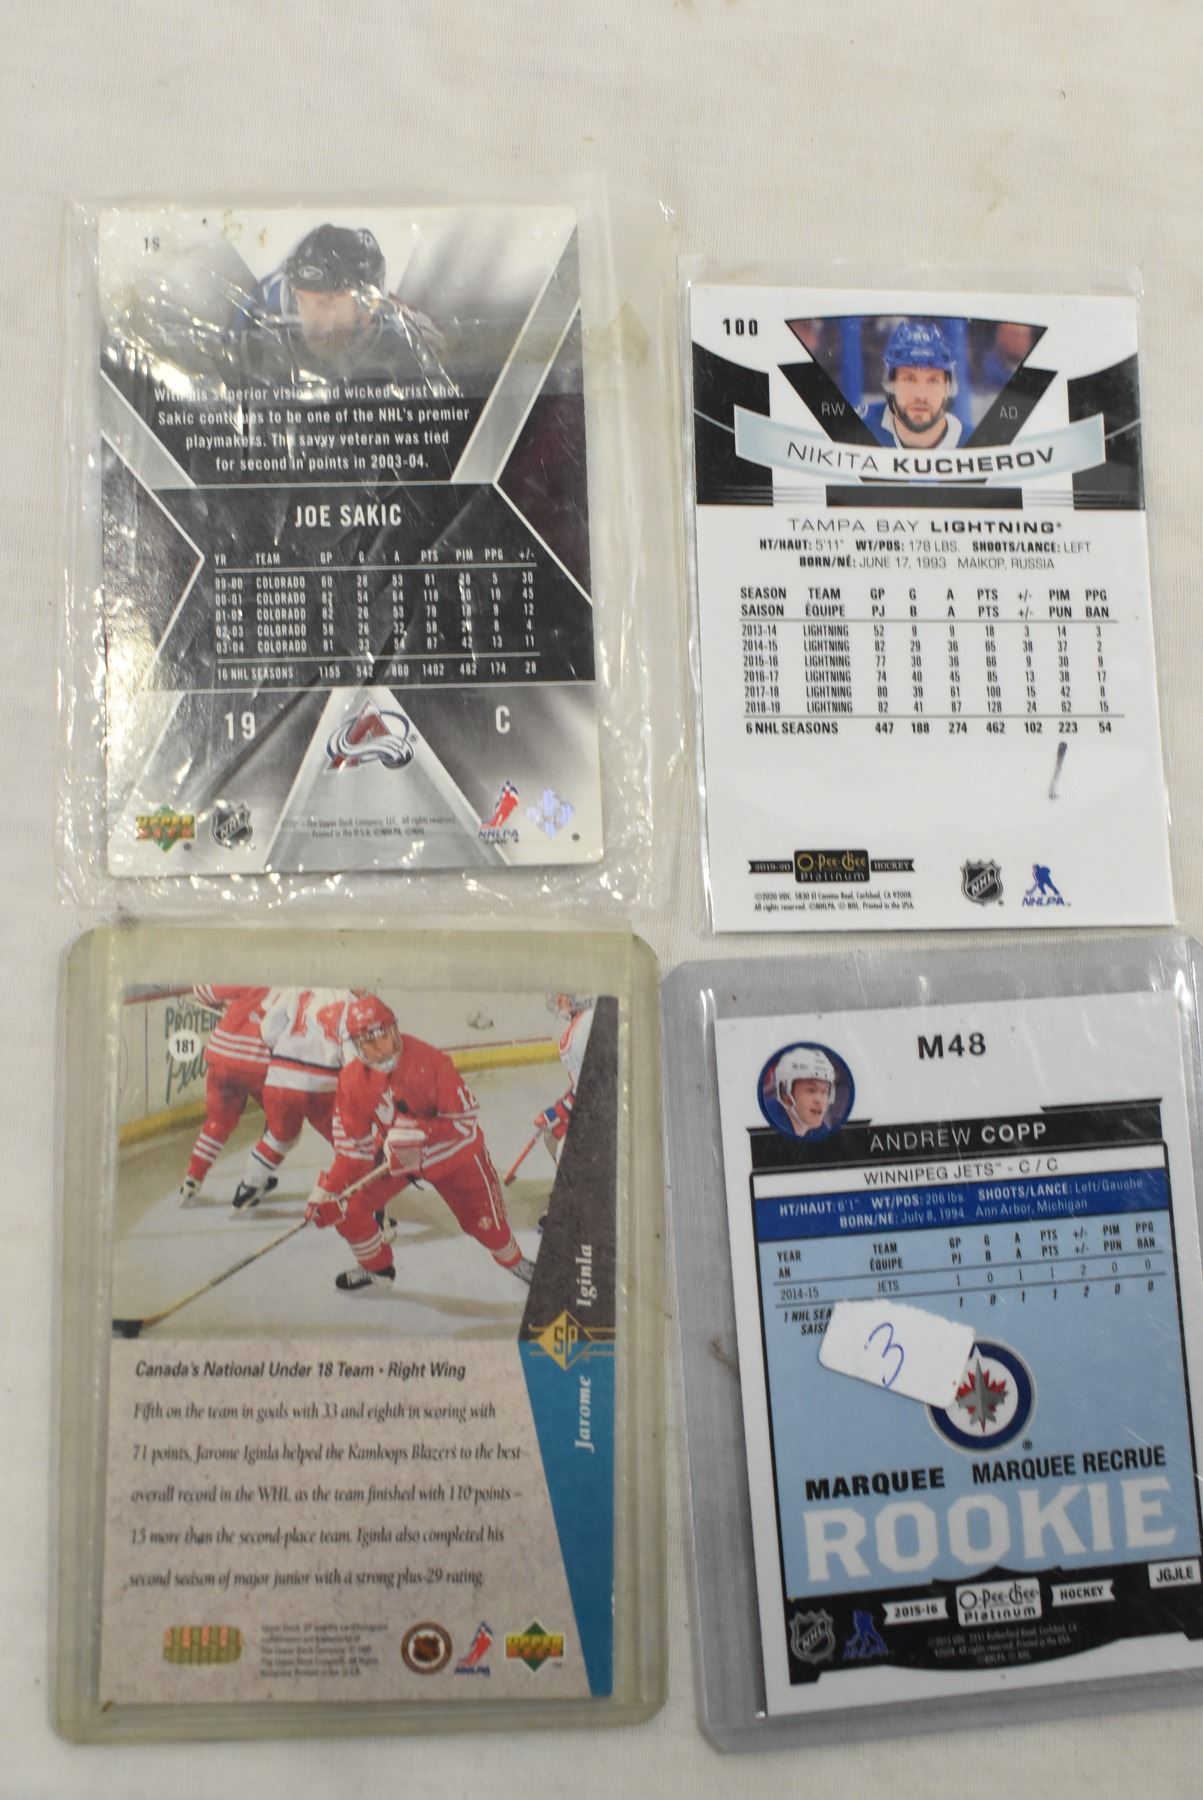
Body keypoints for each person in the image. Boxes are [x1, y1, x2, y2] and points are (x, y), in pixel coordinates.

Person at [303, 995, 533, 1294]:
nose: (379, 1048)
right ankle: (378, 1269)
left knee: (486, 1226)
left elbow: (464, 1122)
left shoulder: (431, 1062)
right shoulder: (351, 1080)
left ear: (395, 1030)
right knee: (348, 1209)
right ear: (355, 1045)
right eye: (368, 1042)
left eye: (383, 1036)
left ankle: (515, 1262)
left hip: (453, 1156)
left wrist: (418, 1133)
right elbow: (353, 1147)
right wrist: (330, 1189)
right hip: (396, 1156)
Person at [237, 223, 445, 385]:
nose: (312, 321)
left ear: (368, 306)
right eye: (302, 301)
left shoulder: (411, 354)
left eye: (326, 304)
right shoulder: (269, 347)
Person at [230, 987, 355, 1210]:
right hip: (323, 1086)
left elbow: (268, 1032)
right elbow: (353, 1055)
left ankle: (249, 1186)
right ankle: (354, 1195)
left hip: (280, 1080)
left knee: (281, 1137)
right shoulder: (350, 999)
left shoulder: (295, 990)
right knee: (349, 1142)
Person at [178, 985, 273, 1204]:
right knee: (279, 1126)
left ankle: (193, 1177)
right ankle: (256, 1178)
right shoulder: (296, 990)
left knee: (218, 1122)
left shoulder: (251, 978)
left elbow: (203, 991)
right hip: (260, 1064)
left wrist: (229, 1002)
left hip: (221, 1056)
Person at [865, 320, 963, 450]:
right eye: (909, 379)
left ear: (947, 387)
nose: (921, 396)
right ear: (891, 384)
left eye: (933, 381)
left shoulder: (972, 442)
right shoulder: (860, 427)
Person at [532, 993, 595, 1164]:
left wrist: (557, 1112)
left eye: (561, 999)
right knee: (555, 1137)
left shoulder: (576, 1035)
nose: (557, 1004)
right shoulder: (594, 1017)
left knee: (561, 1149)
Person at [773, 1046, 837, 1139]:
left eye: (824, 1091)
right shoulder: (770, 1123)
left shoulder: (820, 1131)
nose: (819, 1100)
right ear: (785, 1092)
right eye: (811, 1090)